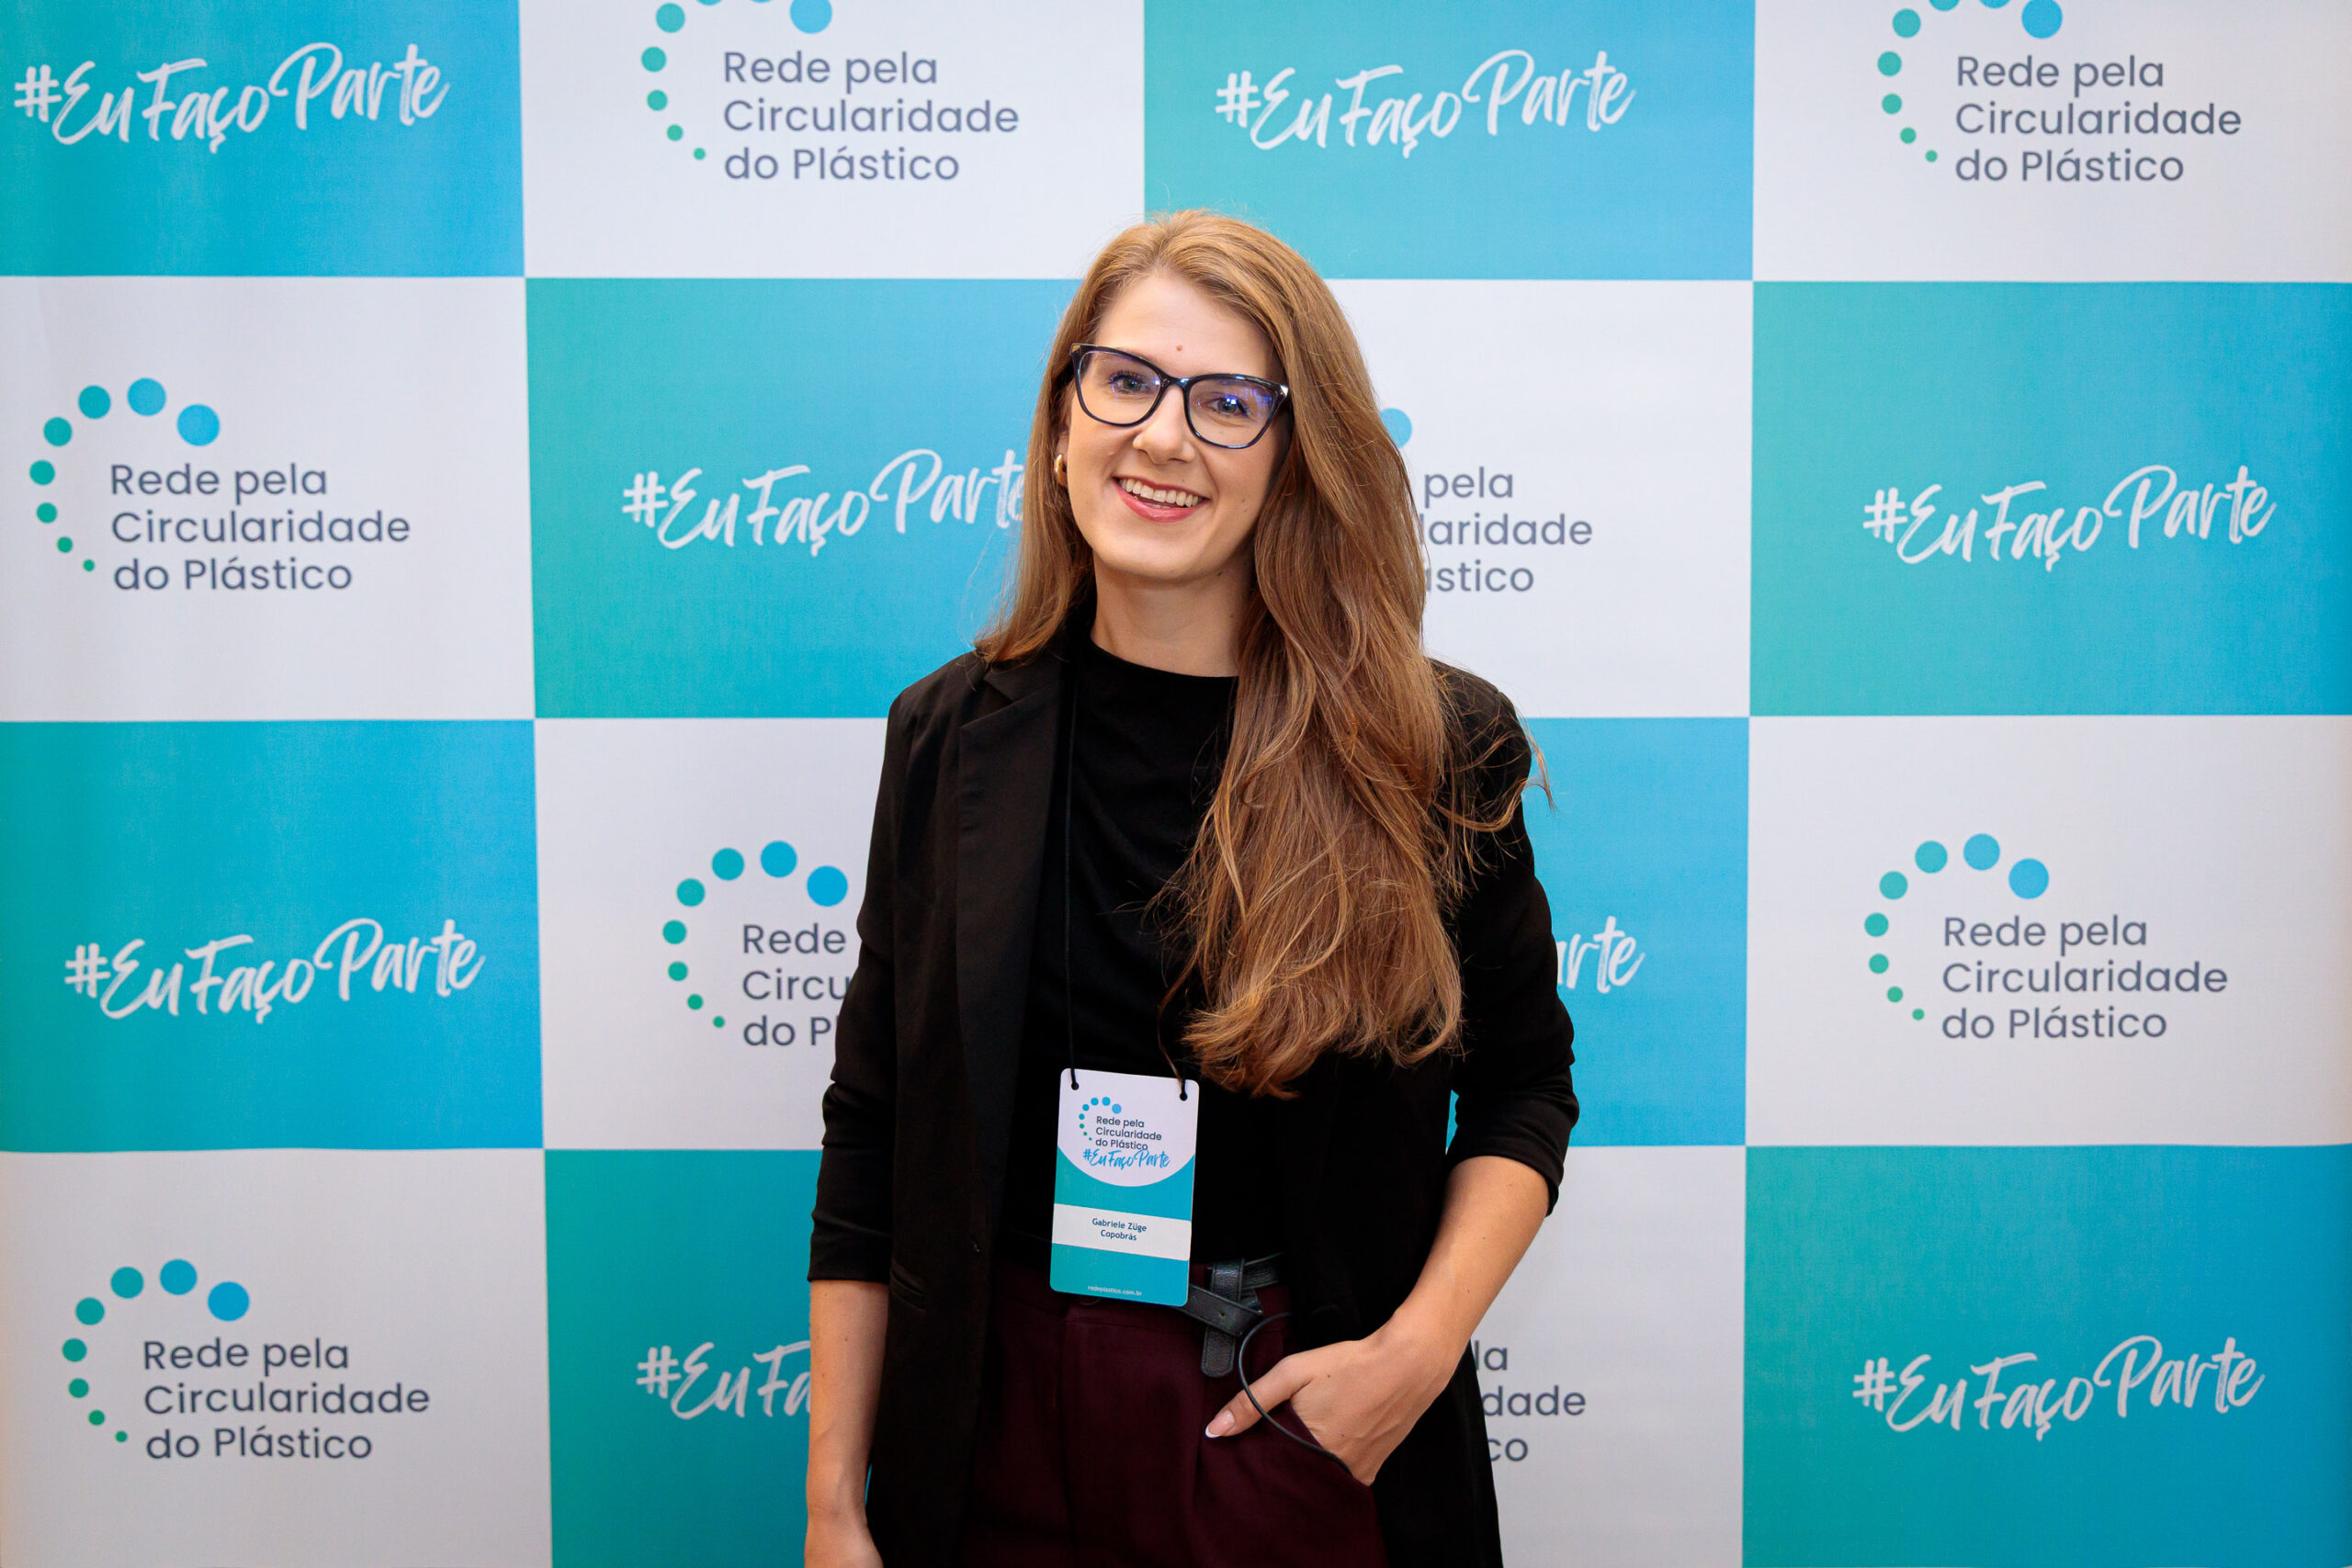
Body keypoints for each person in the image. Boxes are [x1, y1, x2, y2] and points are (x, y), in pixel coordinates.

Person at [804, 210, 1577, 1568]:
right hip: (992, 1420)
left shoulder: (1432, 747)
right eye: (1125, 382)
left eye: (1227, 403)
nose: (1162, 436)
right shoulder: (945, 735)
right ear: (1061, 427)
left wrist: (1410, 1357)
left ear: (1295, 456)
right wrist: (831, 1503)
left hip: (1282, 1416)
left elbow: (1523, 1088)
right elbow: (873, 1127)